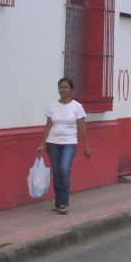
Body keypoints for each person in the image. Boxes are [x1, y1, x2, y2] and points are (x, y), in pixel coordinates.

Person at [36, 77, 92, 214]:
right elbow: (48, 126)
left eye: (66, 87)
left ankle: (63, 202)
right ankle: (59, 202)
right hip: (53, 143)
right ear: (58, 89)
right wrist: (42, 144)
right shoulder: (52, 106)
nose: (63, 90)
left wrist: (87, 145)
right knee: (57, 173)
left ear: (71, 89)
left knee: (64, 169)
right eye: (61, 87)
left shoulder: (77, 106)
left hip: (69, 143)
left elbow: (82, 127)